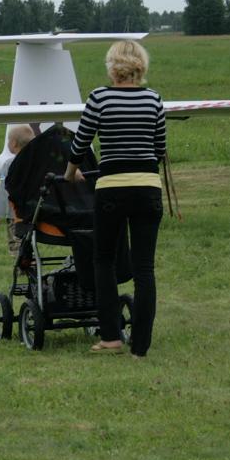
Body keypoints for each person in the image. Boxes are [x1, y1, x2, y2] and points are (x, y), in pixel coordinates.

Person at [64, 40, 166, 358]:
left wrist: (70, 173)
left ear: (112, 66)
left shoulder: (100, 97)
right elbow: (159, 148)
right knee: (144, 268)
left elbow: (81, 143)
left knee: (104, 260)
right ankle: (141, 346)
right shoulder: (153, 99)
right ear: (141, 65)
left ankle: (111, 337)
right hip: (148, 188)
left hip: (112, 189)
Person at [0, 124, 35, 251]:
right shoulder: (36, 163)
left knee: (15, 242)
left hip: (14, 213)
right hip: (32, 212)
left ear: (14, 143)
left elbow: (3, 190)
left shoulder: (8, 164)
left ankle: (18, 256)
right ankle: (30, 256)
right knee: (29, 240)